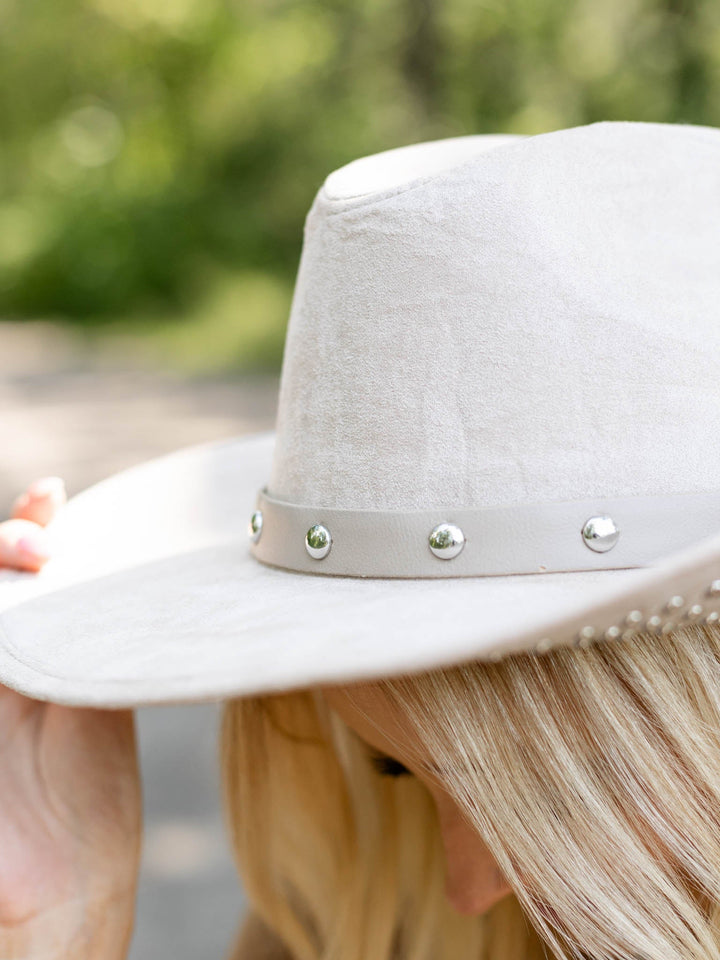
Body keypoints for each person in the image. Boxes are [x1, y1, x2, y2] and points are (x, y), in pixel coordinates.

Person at [2, 123, 720, 960]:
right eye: (401, 772)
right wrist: (61, 929)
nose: (466, 886)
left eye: (553, 794)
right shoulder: (376, 925)